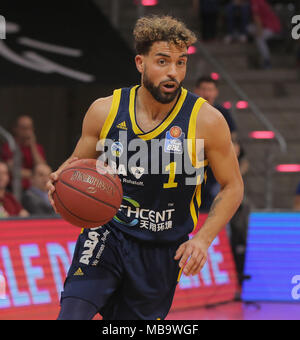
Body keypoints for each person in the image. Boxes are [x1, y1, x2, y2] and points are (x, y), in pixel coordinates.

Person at [47, 15, 244, 320]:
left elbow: (233, 186)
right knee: (71, 315)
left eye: (181, 63)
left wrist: (204, 238)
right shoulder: (105, 110)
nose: (173, 72)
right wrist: (59, 180)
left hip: (162, 250)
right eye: (162, 61)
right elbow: (75, 165)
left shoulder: (207, 121)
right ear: (140, 62)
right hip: (107, 233)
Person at [193, 76, 238, 211]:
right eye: (203, 89)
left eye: (210, 90)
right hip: (193, 169)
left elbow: (234, 140)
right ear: (196, 91)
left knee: (215, 207)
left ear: (216, 92)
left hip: (215, 170)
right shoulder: (188, 111)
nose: (207, 93)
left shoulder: (223, 113)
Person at [1, 115, 46, 190]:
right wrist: (35, 174)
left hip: (34, 189)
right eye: (24, 128)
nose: (27, 132)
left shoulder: (37, 147)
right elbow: (13, 170)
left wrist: (33, 146)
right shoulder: (9, 146)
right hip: (14, 188)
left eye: (30, 128)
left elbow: (43, 168)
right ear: (16, 129)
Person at [248, 0, 282, 69]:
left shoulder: (256, 1)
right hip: (266, 26)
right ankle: (259, 58)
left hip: (272, 27)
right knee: (249, 28)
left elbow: (256, 17)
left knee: (259, 39)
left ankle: (267, 61)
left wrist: (259, 31)